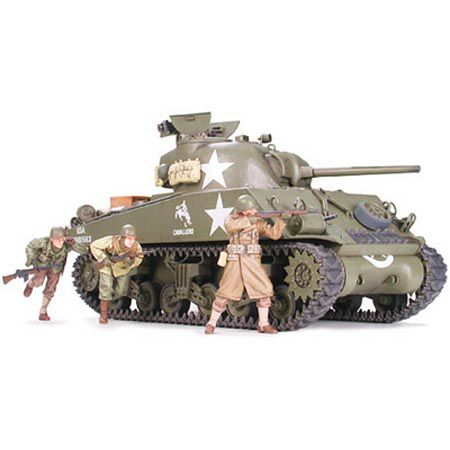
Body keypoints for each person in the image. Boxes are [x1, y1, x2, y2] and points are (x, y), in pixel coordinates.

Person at [205, 194, 290, 334]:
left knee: (264, 290)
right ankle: (211, 323)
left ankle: (263, 324)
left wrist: (282, 220)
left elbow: (274, 234)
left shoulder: (258, 222)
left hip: (252, 261)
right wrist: (250, 221)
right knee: (224, 293)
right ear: (243, 211)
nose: (254, 211)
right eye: (251, 210)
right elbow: (231, 226)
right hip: (235, 262)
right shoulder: (230, 219)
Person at [24, 226, 85, 321]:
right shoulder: (43, 242)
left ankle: (43, 311)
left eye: (62, 239)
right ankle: (30, 284)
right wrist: (30, 258)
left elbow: (83, 250)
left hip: (56, 268)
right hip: (42, 265)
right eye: (58, 239)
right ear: (52, 239)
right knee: (39, 281)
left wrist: (74, 243)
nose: (61, 242)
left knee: (51, 288)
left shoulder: (66, 245)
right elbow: (30, 246)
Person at [90, 224, 143, 324]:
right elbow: (94, 245)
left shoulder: (136, 247)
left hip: (121, 268)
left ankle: (108, 299)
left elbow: (139, 258)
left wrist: (131, 263)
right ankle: (103, 314)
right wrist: (104, 258)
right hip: (107, 267)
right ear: (122, 237)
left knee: (121, 291)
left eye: (133, 239)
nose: (131, 241)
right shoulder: (111, 241)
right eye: (128, 238)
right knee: (106, 288)